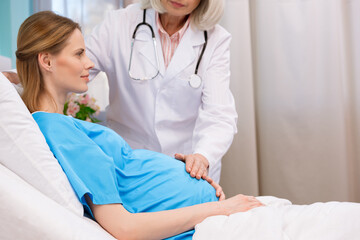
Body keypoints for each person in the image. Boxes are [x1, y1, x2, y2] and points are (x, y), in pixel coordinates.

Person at [15, 11, 261, 240]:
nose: (89, 63)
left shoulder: (63, 125)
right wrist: (219, 209)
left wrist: (201, 162)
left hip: (199, 215)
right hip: (196, 223)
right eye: (80, 54)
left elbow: (220, 115)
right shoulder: (58, 129)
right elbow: (124, 226)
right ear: (46, 61)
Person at [85, 0, 238, 183]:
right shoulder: (119, 23)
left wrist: (202, 156)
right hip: (126, 163)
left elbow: (219, 115)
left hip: (186, 169)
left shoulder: (215, 39)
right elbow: (75, 71)